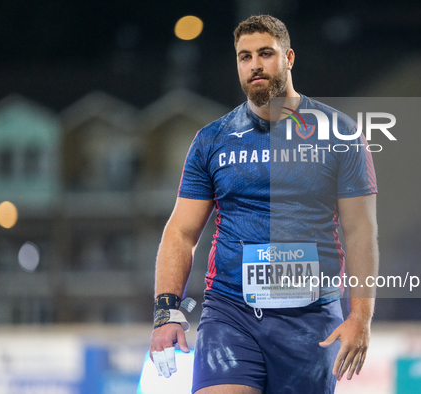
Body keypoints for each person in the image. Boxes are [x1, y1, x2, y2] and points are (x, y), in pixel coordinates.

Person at [149, 15, 379, 394]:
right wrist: (166, 312)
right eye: (244, 57)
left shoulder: (341, 136)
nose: (254, 64)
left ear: (288, 58)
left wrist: (361, 316)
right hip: (230, 313)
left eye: (266, 54)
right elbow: (181, 231)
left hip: (310, 319)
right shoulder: (212, 140)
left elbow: (360, 231)